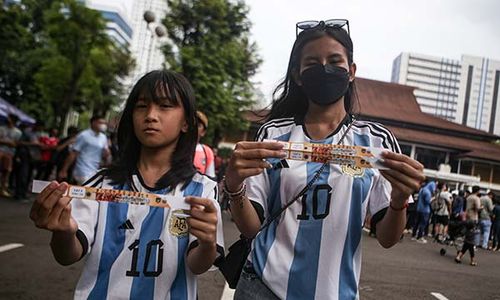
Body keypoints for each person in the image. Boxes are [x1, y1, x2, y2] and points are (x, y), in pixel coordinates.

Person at [223, 19, 425, 299]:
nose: (325, 69)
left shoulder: (376, 142)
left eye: (334, 60)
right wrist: (234, 185)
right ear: (298, 74)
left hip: (335, 292)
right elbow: (251, 227)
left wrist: (400, 198)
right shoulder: (274, 135)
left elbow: (388, 238)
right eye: (312, 63)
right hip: (263, 285)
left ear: (351, 71)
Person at [29, 69, 224, 299]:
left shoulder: (202, 190)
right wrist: (63, 231)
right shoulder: (102, 184)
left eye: (165, 106)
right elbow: (67, 255)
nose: (150, 115)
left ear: (186, 123)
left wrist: (208, 243)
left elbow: (197, 265)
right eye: (141, 106)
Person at [58, 116, 110, 185]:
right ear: (93, 123)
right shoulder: (84, 135)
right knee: (87, 190)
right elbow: (74, 153)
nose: (103, 125)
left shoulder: (103, 137)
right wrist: (64, 170)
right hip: (82, 170)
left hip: (95, 170)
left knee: (88, 193)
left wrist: (107, 155)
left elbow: (105, 153)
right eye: (101, 123)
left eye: (104, 123)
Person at [455, 185, 481, 266]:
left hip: (467, 218)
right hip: (473, 219)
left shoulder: (468, 197)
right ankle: (462, 257)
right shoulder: (476, 198)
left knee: (469, 239)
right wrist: (481, 207)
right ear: (478, 191)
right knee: (470, 241)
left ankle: (462, 257)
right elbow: (477, 208)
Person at [0, 114, 22, 197]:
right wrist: (9, 143)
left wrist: (5, 142)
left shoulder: (18, 132)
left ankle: (3, 188)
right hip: (1, 151)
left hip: (10, 153)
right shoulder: (1, 128)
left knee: (6, 171)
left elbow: (16, 144)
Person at [193, 111, 215, 178]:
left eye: (198, 125)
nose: (194, 128)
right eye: (192, 123)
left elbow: (210, 177)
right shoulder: (174, 147)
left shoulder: (207, 151)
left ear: (203, 132)